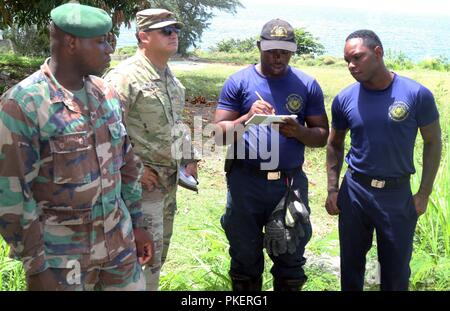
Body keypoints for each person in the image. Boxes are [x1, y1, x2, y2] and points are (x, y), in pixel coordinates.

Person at [0, 3, 152, 291]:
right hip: (61, 261)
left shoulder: (105, 93)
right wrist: (36, 267)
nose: (109, 49)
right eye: (101, 41)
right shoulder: (24, 104)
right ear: (71, 43)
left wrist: (137, 223)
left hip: (118, 247)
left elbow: (126, 164)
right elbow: (11, 194)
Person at [214, 19, 329, 291]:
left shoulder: (306, 84)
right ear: (259, 47)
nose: (278, 57)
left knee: (290, 256)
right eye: (271, 51)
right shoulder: (239, 81)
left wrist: (298, 132)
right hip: (246, 182)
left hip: (288, 185)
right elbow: (218, 135)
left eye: (285, 51)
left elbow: (322, 135)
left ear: (293, 51)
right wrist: (248, 116)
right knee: (244, 258)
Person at [325, 29, 442, 291]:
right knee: (351, 268)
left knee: (396, 271)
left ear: (378, 53)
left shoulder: (416, 94)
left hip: (396, 194)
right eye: (347, 61)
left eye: (357, 58)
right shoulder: (344, 98)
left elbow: (433, 142)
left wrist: (423, 193)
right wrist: (333, 188)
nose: (351, 66)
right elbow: (334, 143)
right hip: (354, 190)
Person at [103, 9, 199, 291]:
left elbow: (175, 123)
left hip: (167, 186)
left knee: (156, 256)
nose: (174, 35)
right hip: (138, 190)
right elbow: (106, 132)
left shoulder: (170, 79)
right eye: (165, 31)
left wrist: (189, 156)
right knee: (137, 259)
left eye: (176, 30)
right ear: (143, 36)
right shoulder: (124, 77)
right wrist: (136, 169)